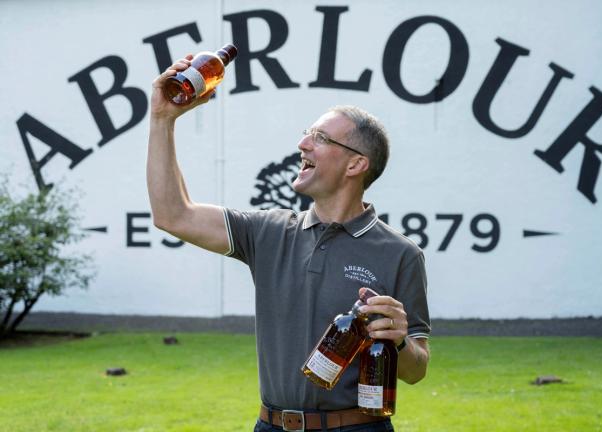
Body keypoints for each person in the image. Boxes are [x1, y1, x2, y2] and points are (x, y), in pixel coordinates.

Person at [147, 54, 431, 432]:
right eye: (307, 133)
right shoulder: (269, 232)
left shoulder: (401, 254)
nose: (302, 144)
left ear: (355, 165)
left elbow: (416, 370)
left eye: (321, 138)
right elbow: (172, 215)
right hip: (270, 425)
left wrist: (400, 342)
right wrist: (162, 119)